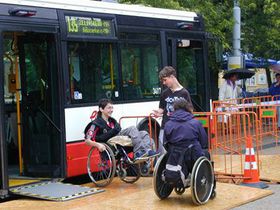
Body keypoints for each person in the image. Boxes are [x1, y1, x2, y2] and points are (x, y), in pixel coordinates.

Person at [84, 98, 158, 159]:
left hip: (118, 137)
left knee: (144, 133)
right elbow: (87, 140)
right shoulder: (95, 123)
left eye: (112, 107)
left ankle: (147, 151)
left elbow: (118, 130)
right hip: (110, 141)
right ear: (101, 109)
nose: (111, 110)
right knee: (132, 128)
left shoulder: (112, 121)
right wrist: (98, 145)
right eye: (109, 108)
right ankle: (139, 152)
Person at [162, 98, 208, 186]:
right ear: (187, 108)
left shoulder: (168, 124)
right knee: (205, 153)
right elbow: (204, 142)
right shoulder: (196, 123)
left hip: (174, 156)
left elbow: (165, 143)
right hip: (193, 156)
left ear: (174, 109)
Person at [153, 66, 192, 155]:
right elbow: (162, 108)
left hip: (179, 127)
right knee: (162, 150)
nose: (164, 83)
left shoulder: (184, 93)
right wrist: (158, 112)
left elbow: (190, 110)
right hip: (165, 126)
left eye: (165, 80)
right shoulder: (164, 93)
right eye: (162, 81)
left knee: (177, 150)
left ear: (172, 77)